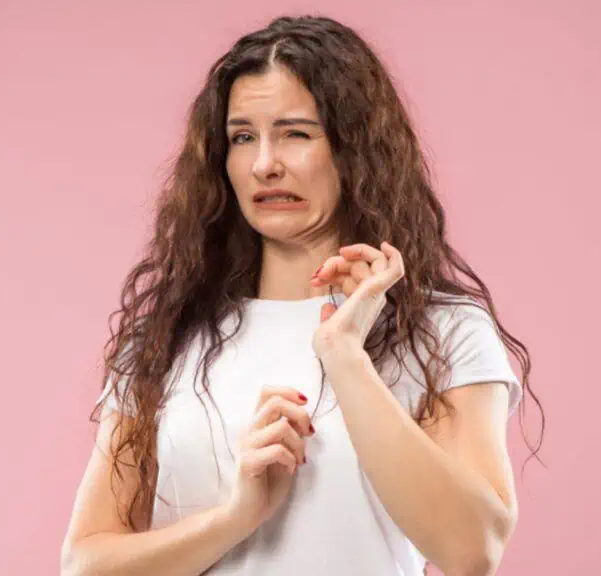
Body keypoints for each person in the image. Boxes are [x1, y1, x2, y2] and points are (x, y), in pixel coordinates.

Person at [61, 14, 544, 576]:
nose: (265, 164)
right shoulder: (168, 337)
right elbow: (87, 563)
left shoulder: (444, 331)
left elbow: (472, 550)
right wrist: (237, 518)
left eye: (296, 133)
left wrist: (343, 356)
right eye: (243, 137)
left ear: (354, 148)